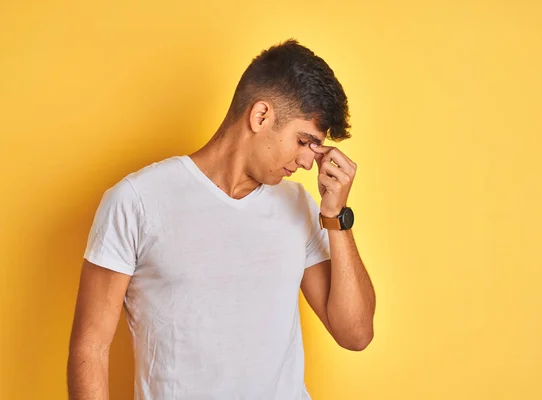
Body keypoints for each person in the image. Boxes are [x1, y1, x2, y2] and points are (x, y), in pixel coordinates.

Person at [67, 39, 376, 400]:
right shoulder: (137, 200)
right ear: (260, 116)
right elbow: (89, 349)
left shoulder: (298, 205)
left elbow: (355, 334)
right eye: (303, 141)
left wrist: (335, 215)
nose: (309, 163)